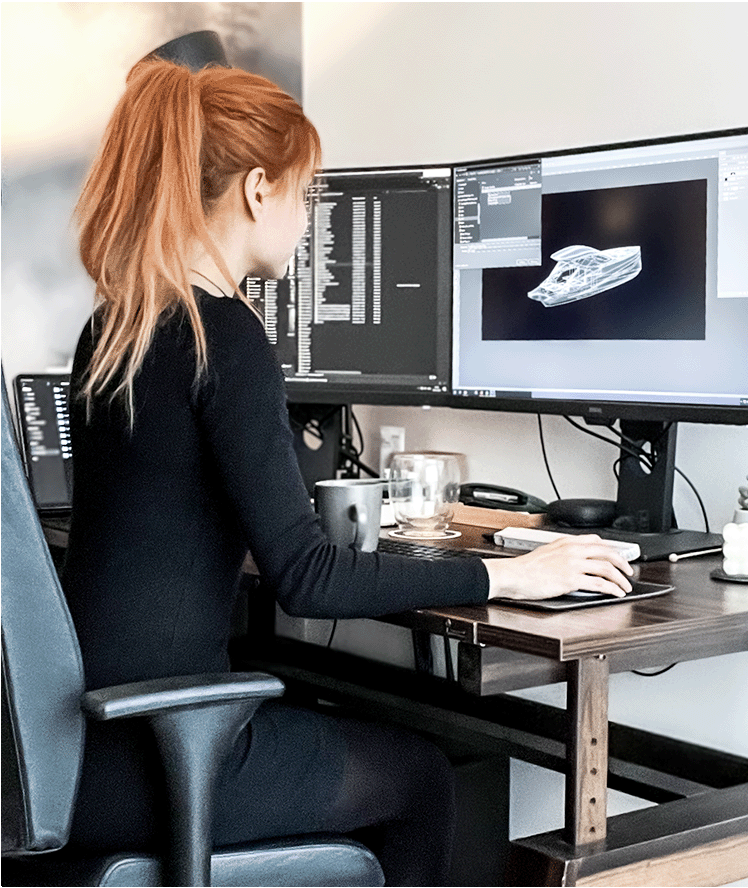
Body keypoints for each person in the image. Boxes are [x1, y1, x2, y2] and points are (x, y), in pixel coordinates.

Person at [61, 56, 634, 886]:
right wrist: (511, 575)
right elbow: (308, 579)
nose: (304, 220)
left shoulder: (116, 328)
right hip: (154, 756)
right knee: (420, 777)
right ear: (260, 189)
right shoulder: (223, 335)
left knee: (341, 714)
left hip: (73, 747)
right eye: (306, 193)